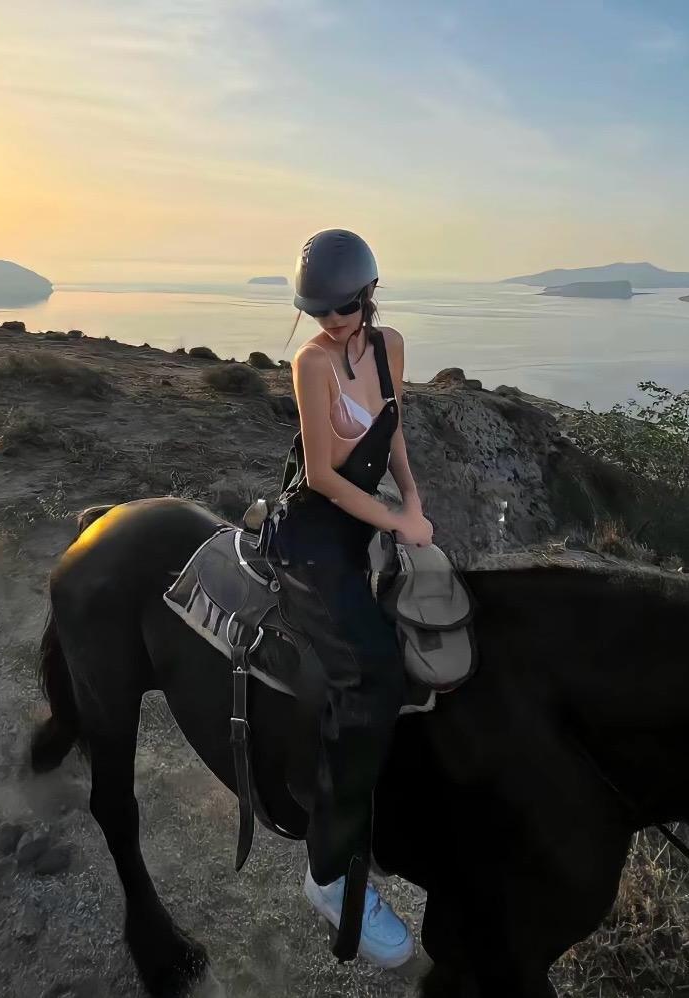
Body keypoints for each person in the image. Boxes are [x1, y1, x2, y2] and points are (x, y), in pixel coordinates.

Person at [267, 228, 433, 967]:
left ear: (368, 295)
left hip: (367, 523)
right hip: (312, 537)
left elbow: (393, 434)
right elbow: (326, 479)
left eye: (343, 308)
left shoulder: (390, 343)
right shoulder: (311, 363)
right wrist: (395, 520)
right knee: (372, 675)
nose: (332, 323)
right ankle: (328, 873)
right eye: (321, 311)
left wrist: (416, 505)